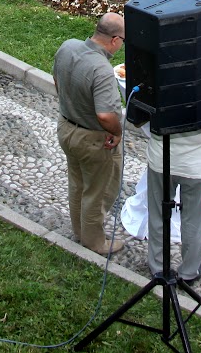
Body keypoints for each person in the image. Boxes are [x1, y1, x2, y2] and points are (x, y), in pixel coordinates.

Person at [52, 13, 127, 254]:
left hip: (66, 128)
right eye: (123, 40)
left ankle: (80, 229)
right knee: (98, 191)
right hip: (94, 140)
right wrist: (116, 132)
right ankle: (95, 242)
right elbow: (105, 115)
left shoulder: (67, 47)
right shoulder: (102, 69)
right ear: (114, 40)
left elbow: (56, 79)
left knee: (77, 183)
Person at [146, 103, 201, 284]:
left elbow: (139, 119)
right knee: (194, 220)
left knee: (157, 215)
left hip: (161, 159)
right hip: (196, 164)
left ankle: (158, 267)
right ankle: (189, 271)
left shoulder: (153, 83)